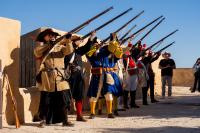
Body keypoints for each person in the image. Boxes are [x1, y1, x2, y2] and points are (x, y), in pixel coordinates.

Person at [34, 28, 74, 127]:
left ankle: (65, 120)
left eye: (53, 35)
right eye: (49, 35)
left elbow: (69, 51)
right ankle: (42, 120)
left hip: (60, 76)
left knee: (64, 100)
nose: (52, 37)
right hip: (47, 77)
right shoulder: (41, 48)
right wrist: (49, 45)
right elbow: (37, 53)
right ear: (44, 37)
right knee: (45, 100)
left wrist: (68, 40)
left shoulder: (60, 47)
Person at [64, 31, 96, 122]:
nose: (80, 41)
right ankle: (65, 117)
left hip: (79, 77)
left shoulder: (78, 51)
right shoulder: (67, 50)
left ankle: (79, 115)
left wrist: (91, 37)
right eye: (78, 40)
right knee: (67, 97)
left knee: (79, 96)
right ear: (73, 42)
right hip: (69, 77)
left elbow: (87, 48)